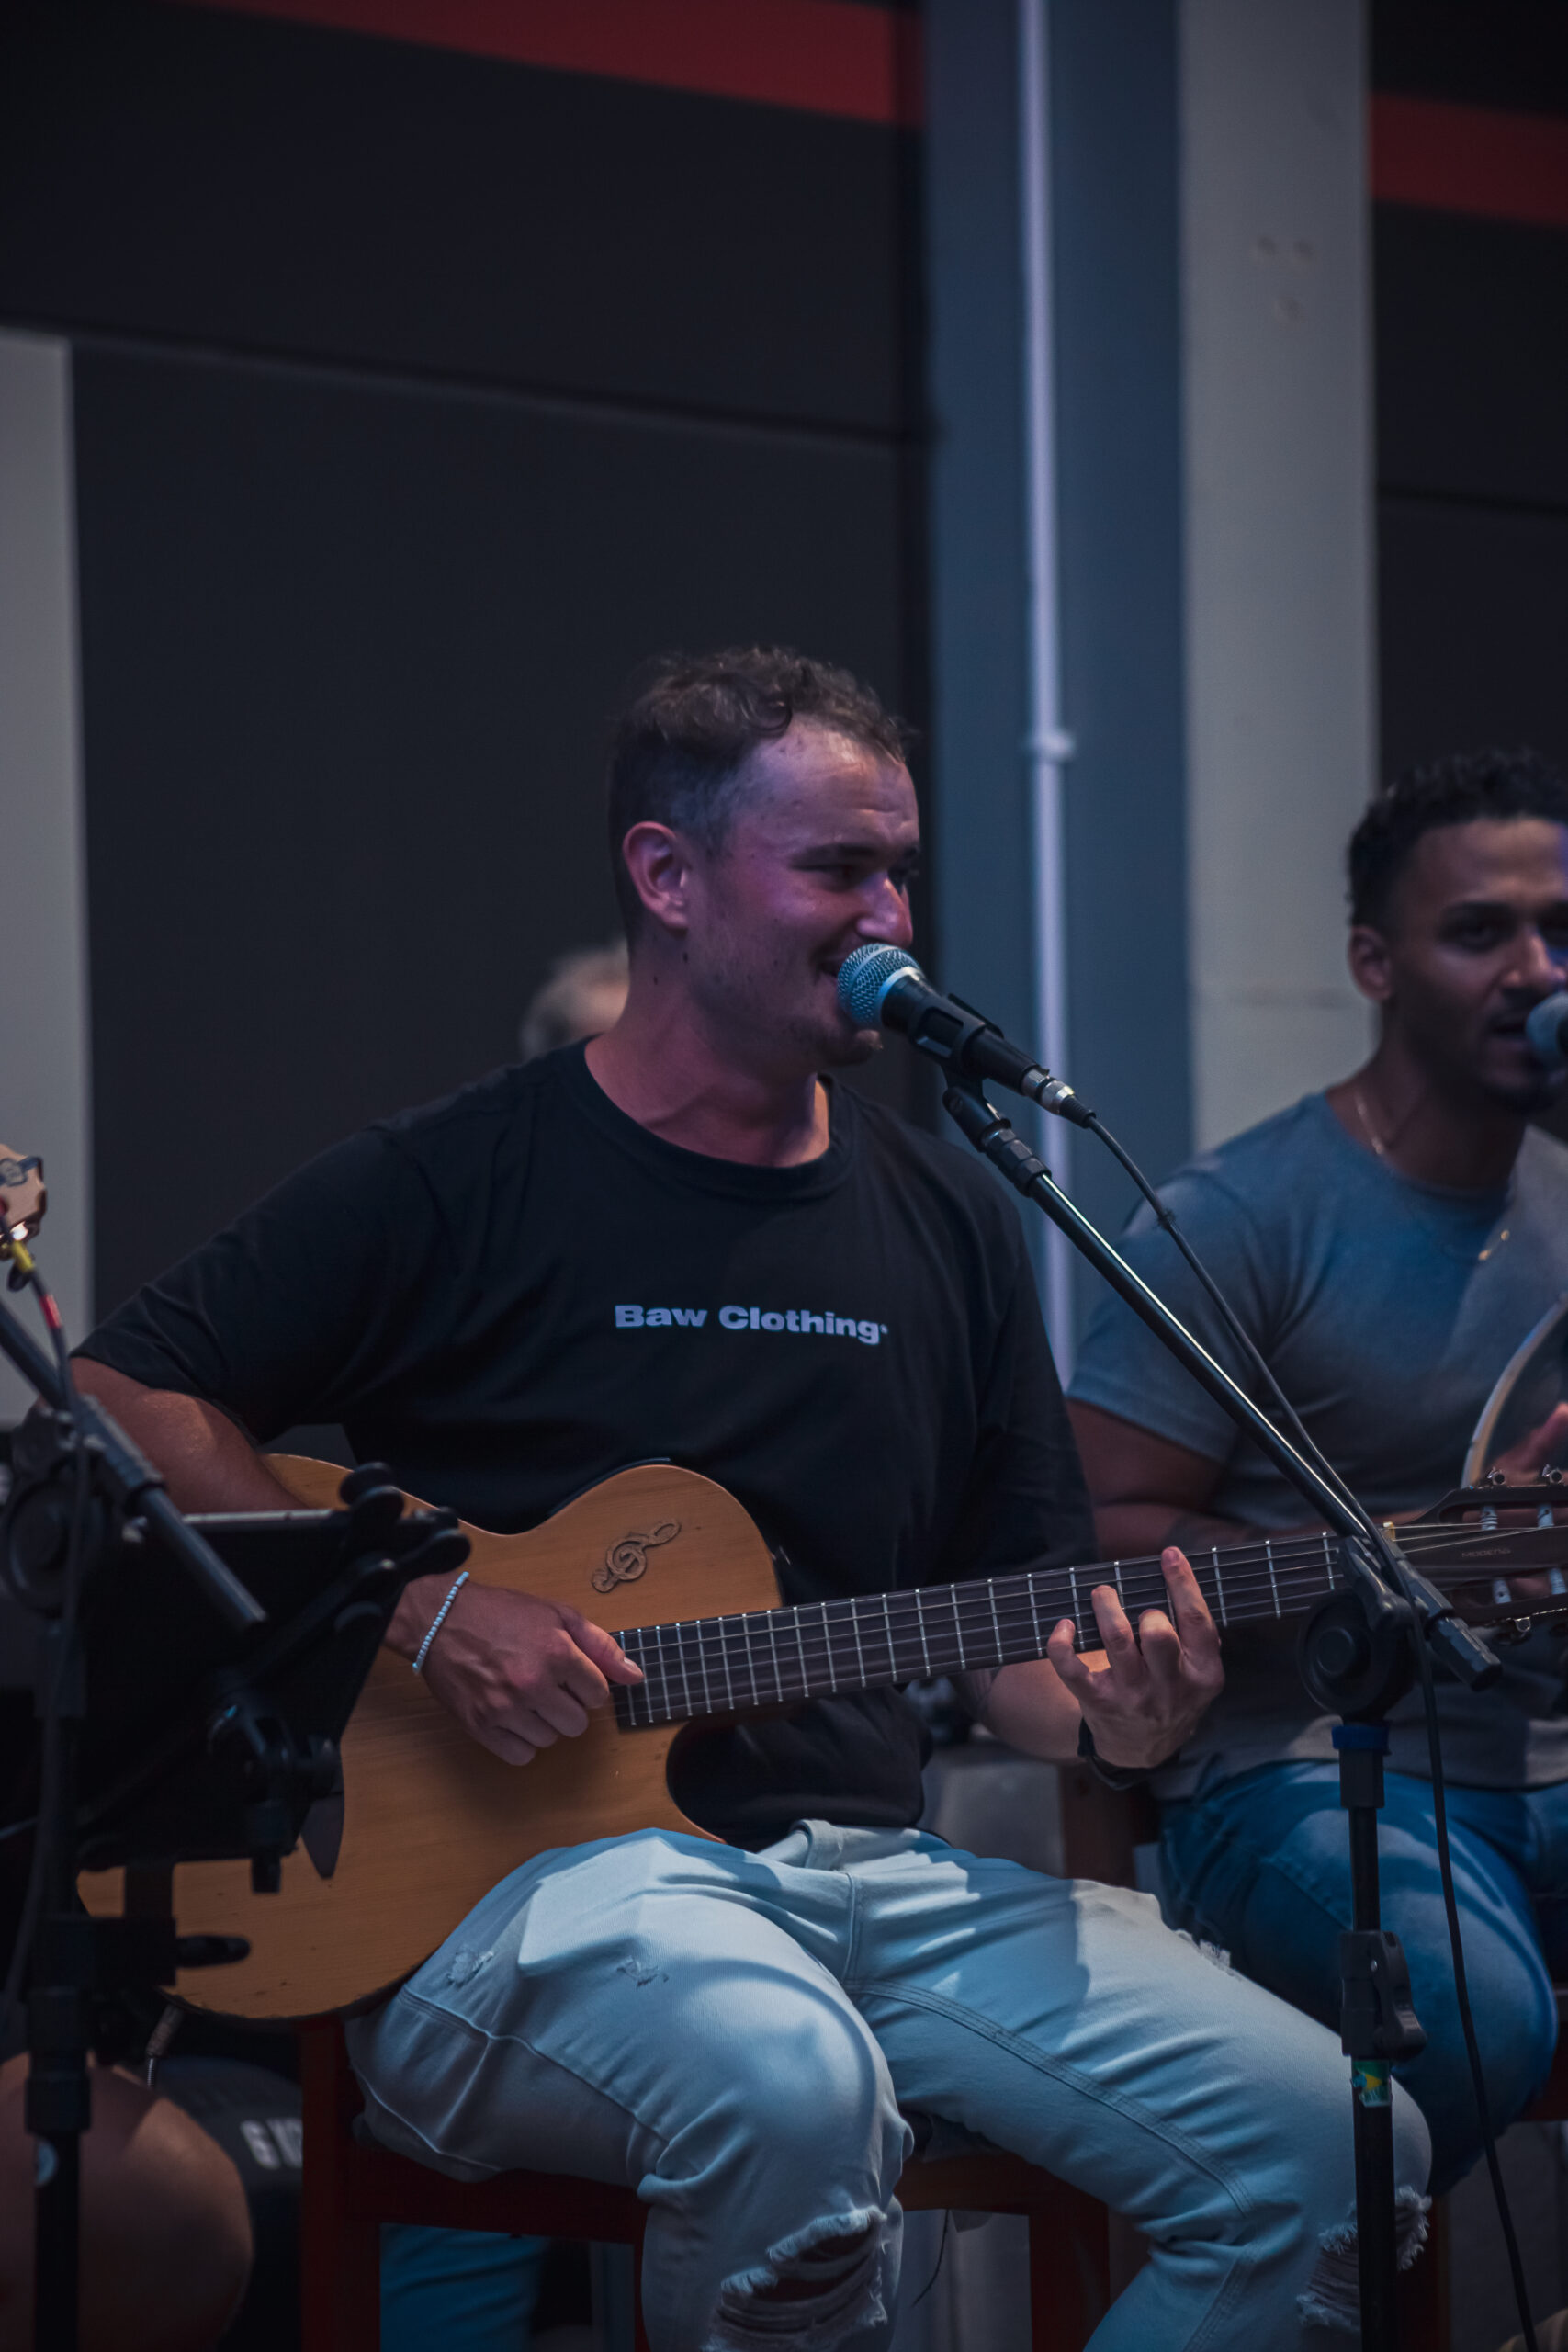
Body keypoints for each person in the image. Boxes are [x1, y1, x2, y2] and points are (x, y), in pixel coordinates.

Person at [71, 648, 1427, 2349]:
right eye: (838, 869)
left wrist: (1116, 1719)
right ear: (667, 875)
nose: (892, 920)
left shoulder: (955, 1216)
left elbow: (1021, 1636)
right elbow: (122, 1393)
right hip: (528, 1906)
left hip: (878, 1884)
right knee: (794, 2092)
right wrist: (422, 1605)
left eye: (902, 870)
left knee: (1343, 2153)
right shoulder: (457, 1176)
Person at [1066, 746, 1568, 2210]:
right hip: (1305, 1773)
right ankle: (1308, 2290)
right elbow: (1098, 1531)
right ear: (1373, 963)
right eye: (1480, 933)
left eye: (1560, 930)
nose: (1537, 972)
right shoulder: (1238, 1217)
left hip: (1542, 1761)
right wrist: (1420, 1555)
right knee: (1475, 2017)